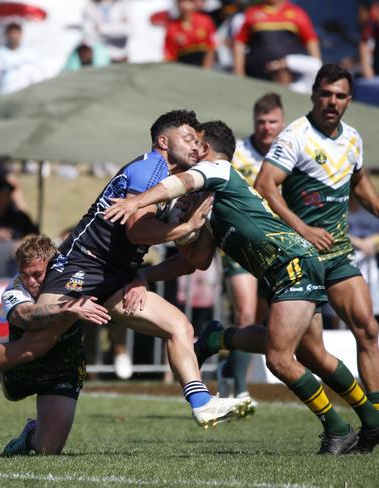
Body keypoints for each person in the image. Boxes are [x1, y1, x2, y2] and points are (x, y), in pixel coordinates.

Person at [0, 110, 252, 429]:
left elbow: (197, 261)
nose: (196, 146)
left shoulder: (176, 184)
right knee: (38, 342)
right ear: (163, 141)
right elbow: (137, 231)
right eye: (188, 139)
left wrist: (192, 233)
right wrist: (184, 229)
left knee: (180, 327)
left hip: (117, 275)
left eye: (198, 141)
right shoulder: (150, 168)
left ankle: (201, 405)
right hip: (83, 262)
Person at [105, 119, 379, 454]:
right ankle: (371, 419)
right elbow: (198, 261)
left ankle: (337, 428)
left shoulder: (218, 170)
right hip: (285, 269)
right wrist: (158, 262)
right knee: (313, 355)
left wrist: (135, 202)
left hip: (291, 265)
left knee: (279, 359)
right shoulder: (207, 199)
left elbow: (179, 182)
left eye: (195, 142)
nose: (191, 148)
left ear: (207, 149)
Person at [254, 64, 379, 416]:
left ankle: (376, 417)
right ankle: (224, 339)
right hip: (301, 259)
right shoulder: (295, 136)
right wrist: (303, 229)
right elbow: (265, 184)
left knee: (368, 330)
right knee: (308, 353)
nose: (332, 102)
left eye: (340, 96)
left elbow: (360, 187)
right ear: (313, 95)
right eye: (325, 94)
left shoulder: (353, 138)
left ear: (349, 101)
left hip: (338, 255)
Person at [1, 235, 97, 455]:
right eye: (25, 274)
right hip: (24, 370)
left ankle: (28, 437)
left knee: (48, 449)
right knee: (12, 394)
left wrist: (137, 281)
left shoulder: (72, 280)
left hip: (64, 371)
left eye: (37, 274)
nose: (30, 281)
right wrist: (66, 309)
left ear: (53, 268)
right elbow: (24, 316)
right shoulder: (14, 289)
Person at [217, 93, 284, 401]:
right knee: (244, 311)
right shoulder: (239, 153)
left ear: (281, 122)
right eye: (261, 122)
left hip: (274, 245)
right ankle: (241, 390)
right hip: (238, 244)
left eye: (273, 122)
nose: (267, 128)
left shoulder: (287, 154)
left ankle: (229, 367)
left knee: (261, 317)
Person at [233, 0, 320, 81]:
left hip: (286, 79)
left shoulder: (298, 13)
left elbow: (311, 41)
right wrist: (239, 71)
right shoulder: (252, 13)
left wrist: (316, 72)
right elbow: (239, 43)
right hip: (255, 76)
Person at [0, 22, 43, 100]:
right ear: (6, 34)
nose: (13, 35)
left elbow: (39, 79)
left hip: (27, 99)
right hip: (6, 99)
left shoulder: (31, 54)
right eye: (11, 32)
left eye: (16, 31)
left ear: (21, 34)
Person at [164, 0, 217, 69]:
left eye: (188, 1)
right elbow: (170, 54)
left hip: (202, 64)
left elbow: (211, 47)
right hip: (183, 66)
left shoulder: (205, 21)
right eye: (181, 2)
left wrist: (206, 69)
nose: (185, 5)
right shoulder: (172, 27)